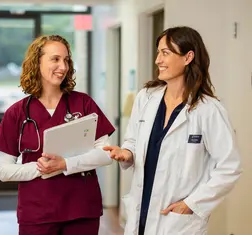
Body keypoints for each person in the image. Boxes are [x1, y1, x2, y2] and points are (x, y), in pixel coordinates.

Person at [103, 26, 242, 235]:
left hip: (177, 222)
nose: (158, 59)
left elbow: (229, 167)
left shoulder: (208, 109)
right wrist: (127, 153)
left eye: (165, 53)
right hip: (140, 213)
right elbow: (132, 140)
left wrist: (191, 204)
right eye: (158, 52)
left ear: (188, 57)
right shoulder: (146, 97)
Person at [0, 35, 115, 235]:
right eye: (55, 59)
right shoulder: (17, 112)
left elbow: (106, 154)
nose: (63, 67)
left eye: (66, 60)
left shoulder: (83, 104)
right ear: (36, 62)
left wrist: (65, 164)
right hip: (37, 212)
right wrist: (42, 168)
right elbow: (4, 171)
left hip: (81, 209)